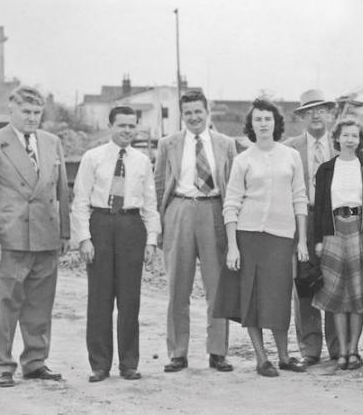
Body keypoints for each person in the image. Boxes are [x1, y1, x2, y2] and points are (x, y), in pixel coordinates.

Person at [0, 86, 71, 387]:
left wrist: (64, 231)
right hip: (9, 239)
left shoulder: (52, 142)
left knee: (40, 305)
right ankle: (3, 365)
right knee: (4, 306)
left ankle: (35, 361)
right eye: (25, 112)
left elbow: (62, 190)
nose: (31, 118)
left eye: (36, 112)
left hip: (45, 238)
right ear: (11, 111)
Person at [215, 98, 310, 377]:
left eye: (268, 119)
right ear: (251, 124)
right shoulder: (243, 159)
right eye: (258, 119)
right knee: (252, 297)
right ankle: (261, 358)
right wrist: (233, 246)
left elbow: (300, 198)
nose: (263, 124)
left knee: (279, 297)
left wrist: (302, 240)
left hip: (281, 237)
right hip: (248, 236)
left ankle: (284, 356)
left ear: (276, 123)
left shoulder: (290, 156)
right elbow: (231, 203)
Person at [71, 106, 161, 382]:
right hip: (101, 224)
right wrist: (84, 238)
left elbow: (149, 203)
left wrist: (151, 240)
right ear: (110, 126)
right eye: (121, 125)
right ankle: (100, 364)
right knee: (99, 298)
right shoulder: (93, 157)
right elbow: (81, 200)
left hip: (131, 227)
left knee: (129, 299)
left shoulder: (142, 161)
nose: (127, 131)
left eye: (131, 126)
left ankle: (129, 363)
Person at [154, 89, 237, 373]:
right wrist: (160, 222)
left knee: (217, 286)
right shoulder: (169, 144)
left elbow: (234, 186)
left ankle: (217, 351)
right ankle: (178, 352)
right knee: (178, 285)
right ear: (182, 115)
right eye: (187, 113)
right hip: (180, 210)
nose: (193, 117)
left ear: (207, 110)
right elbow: (158, 183)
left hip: (214, 209)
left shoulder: (226, 143)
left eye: (198, 111)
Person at [311, 118, 363, 370]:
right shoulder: (326, 169)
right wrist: (318, 239)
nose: (350, 139)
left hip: (359, 230)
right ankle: (339, 351)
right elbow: (319, 207)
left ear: (360, 140)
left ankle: (354, 350)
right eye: (345, 135)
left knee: (357, 294)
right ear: (337, 138)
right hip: (333, 230)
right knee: (336, 293)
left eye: (355, 135)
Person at [285, 89, 341, 366]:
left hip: (335, 220)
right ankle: (309, 346)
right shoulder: (289, 148)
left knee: (334, 280)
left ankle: (338, 345)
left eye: (321, 109)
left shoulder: (342, 145)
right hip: (303, 218)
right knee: (304, 282)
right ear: (301, 118)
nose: (316, 115)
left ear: (331, 114)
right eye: (309, 111)